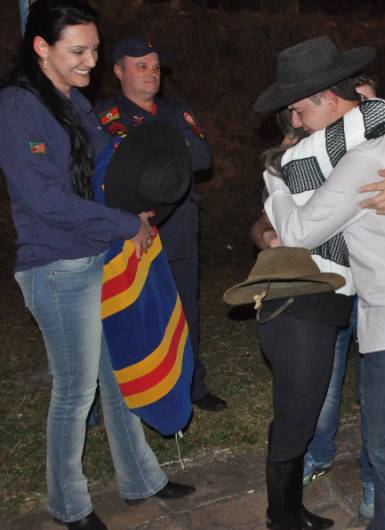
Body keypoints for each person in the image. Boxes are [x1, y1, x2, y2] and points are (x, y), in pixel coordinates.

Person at [256, 36, 385, 530]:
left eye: (302, 111)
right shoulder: (367, 146)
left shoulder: (364, 157)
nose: (298, 123)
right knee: (384, 437)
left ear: (329, 100)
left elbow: (300, 231)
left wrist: (274, 178)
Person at [0, 2, 194, 529]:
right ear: (42, 47)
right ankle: (68, 503)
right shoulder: (18, 107)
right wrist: (123, 224)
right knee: (75, 390)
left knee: (115, 377)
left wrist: (141, 201)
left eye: (94, 49)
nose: (90, 61)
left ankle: (141, 479)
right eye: (78, 51)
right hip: (56, 267)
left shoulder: (74, 101)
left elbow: (111, 161)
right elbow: (46, 201)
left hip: (98, 256)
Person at [95, 36, 226, 412]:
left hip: (179, 224)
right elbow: (105, 165)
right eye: (141, 65)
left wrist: (152, 145)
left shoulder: (175, 109)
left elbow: (201, 156)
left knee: (186, 306)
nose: (152, 73)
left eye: (155, 66)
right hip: (129, 229)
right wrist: (168, 148)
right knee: (134, 309)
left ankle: (191, 386)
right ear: (119, 70)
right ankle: (132, 393)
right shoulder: (106, 115)